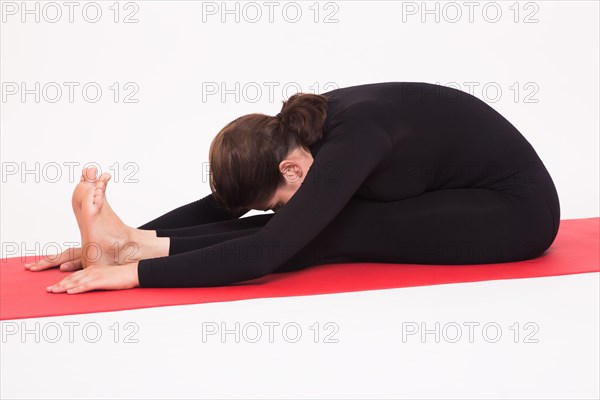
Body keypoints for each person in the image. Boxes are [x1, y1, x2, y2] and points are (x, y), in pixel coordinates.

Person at [25, 82, 561, 294]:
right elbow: (229, 207)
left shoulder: (352, 141)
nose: (283, 205)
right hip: (452, 191)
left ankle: (136, 246)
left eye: (280, 198)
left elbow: (269, 249)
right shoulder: (295, 135)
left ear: (289, 173)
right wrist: (131, 234)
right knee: (312, 220)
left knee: (325, 230)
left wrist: (133, 273)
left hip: (515, 212)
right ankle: (132, 239)